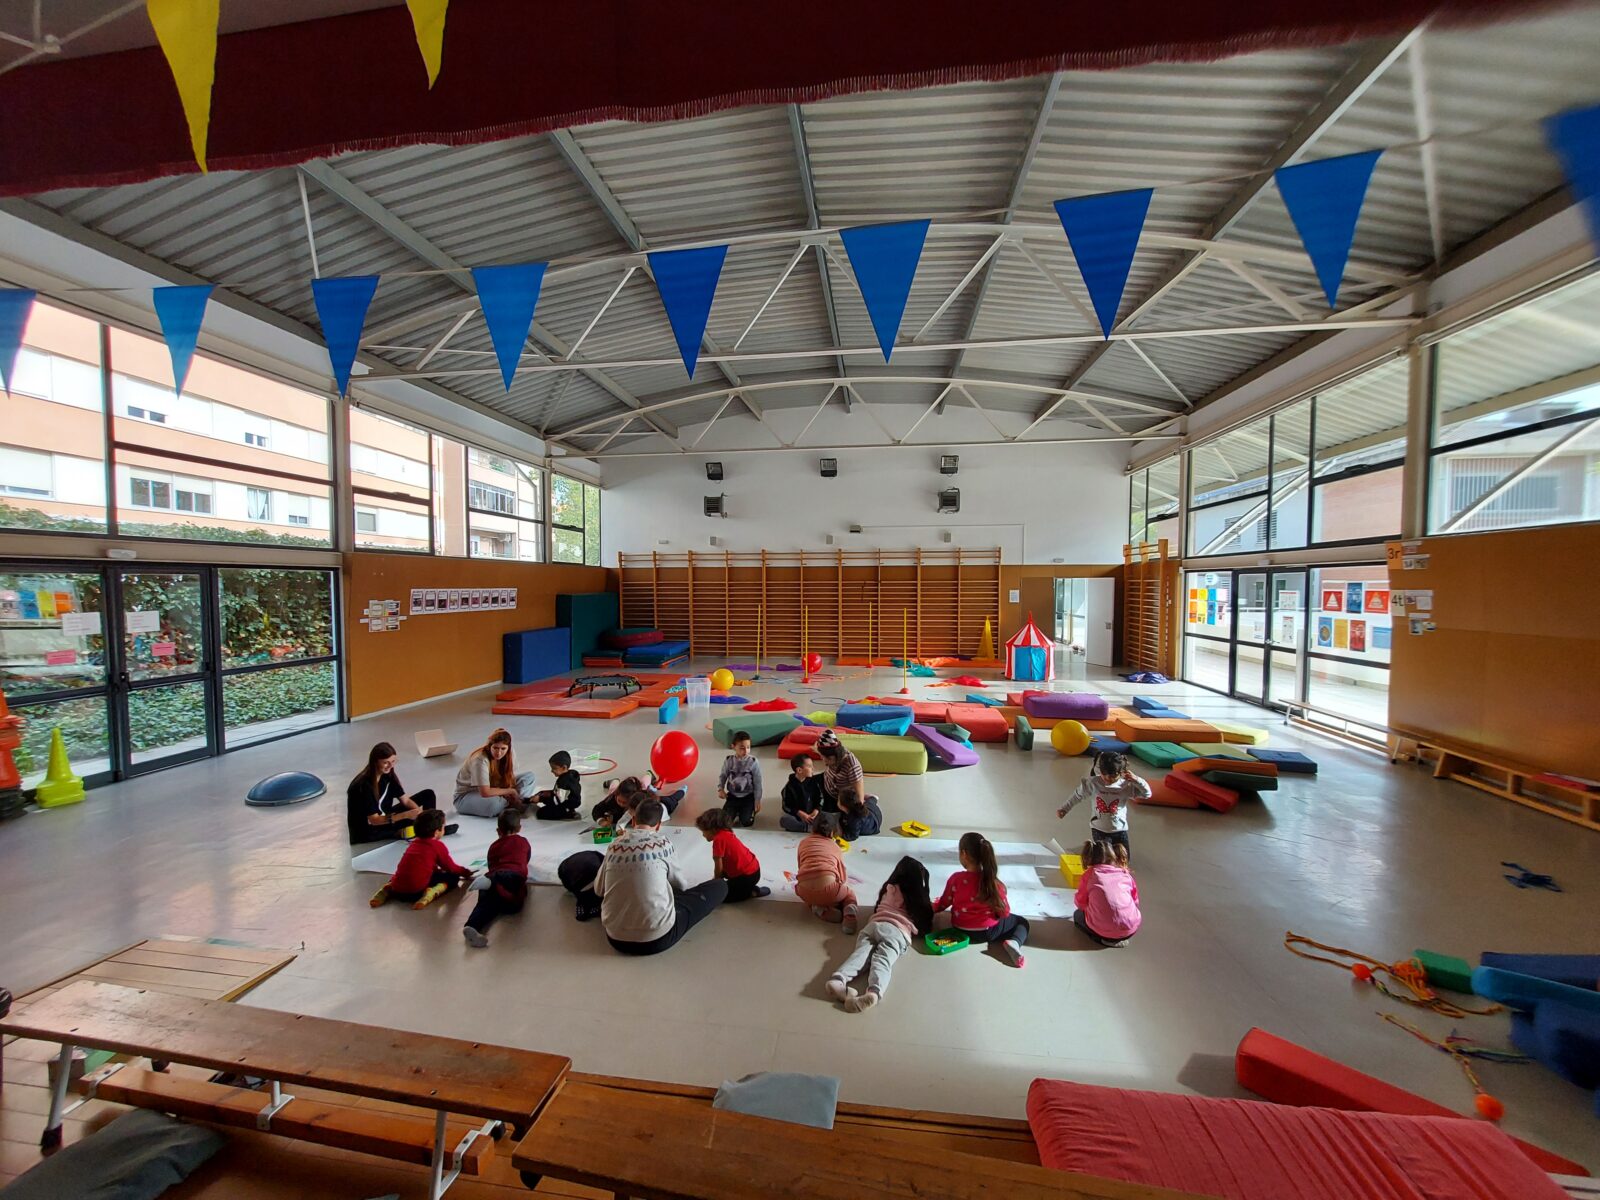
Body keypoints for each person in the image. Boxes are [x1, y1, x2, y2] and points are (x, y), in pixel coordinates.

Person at [592, 798, 728, 955]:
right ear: (658, 825)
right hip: (658, 938)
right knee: (719, 886)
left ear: (634, 820)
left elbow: (599, 890)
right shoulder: (663, 844)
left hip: (615, 938)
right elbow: (680, 886)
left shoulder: (614, 845)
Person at [825, 856, 932, 1013]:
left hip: (873, 926)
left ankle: (838, 980)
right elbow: (924, 923)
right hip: (896, 931)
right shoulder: (915, 898)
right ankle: (874, 992)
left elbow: (878, 907)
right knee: (882, 960)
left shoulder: (888, 889)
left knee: (860, 955)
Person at [933, 832, 1028, 968]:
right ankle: (1014, 942)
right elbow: (1005, 913)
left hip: (959, 930)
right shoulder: (992, 883)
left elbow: (943, 904)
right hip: (987, 933)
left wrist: (932, 906)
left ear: (964, 854)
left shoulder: (956, 879)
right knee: (1021, 922)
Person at [369, 809, 474, 910]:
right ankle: (432, 892)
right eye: (443, 827)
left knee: (401, 875)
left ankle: (387, 889)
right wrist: (466, 873)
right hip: (417, 893)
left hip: (397, 889)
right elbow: (451, 868)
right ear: (437, 832)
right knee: (453, 877)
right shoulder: (437, 846)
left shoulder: (413, 844)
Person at [460, 807, 531, 948]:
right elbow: (526, 858)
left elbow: (491, 864)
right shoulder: (523, 842)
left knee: (485, 906)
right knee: (517, 883)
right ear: (519, 828)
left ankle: (472, 925)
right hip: (511, 884)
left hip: (494, 884)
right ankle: (493, 881)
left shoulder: (494, 846)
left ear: (498, 831)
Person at [1057, 750, 1151, 856]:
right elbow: (1077, 796)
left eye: (1113, 776)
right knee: (1104, 858)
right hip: (1099, 830)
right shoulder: (1093, 783)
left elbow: (1147, 794)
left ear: (1121, 773)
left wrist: (1137, 780)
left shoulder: (1126, 786)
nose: (1107, 778)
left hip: (1120, 830)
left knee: (1124, 858)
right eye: (1104, 774)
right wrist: (1064, 808)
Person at [346, 742, 441, 844]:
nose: (390, 766)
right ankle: (428, 832)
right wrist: (406, 815)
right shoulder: (363, 786)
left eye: (393, 761)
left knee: (428, 795)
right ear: (375, 762)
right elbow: (374, 820)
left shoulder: (388, 775)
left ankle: (430, 829)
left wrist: (419, 813)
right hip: (369, 830)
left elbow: (406, 800)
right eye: (386, 762)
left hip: (386, 816)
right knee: (410, 821)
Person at [794, 812, 858, 933]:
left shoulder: (803, 843)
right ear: (833, 833)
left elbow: (800, 866)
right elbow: (841, 876)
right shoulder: (835, 847)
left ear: (812, 829)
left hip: (804, 891)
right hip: (830, 892)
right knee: (849, 894)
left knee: (810, 897)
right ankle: (849, 916)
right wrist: (839, 886)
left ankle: (820, 909)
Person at [1072, 838, 1141, 948]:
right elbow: (1135, 901)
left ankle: (1104, 938)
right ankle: (1118, 936)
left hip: (1103, 931)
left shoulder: (1089, 875)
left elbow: (1080, 903)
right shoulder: (1125, 873)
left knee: (1077, 915)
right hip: (1131, 929)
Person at [453, 729, 534, 819]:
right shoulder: (480, 759)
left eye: (503, 749)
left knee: (529, 777)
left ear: (508, 747)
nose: (499, 753)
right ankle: (515, 802)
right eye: (495, 748)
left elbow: (509, 778)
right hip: (468, 796)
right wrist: (511, 791)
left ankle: (512, 802)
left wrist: (506, 790)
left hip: (495, 788)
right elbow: (485, 792)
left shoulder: (510, 753)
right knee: (494, 804)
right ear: (490, 746)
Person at [696, 809, 770, 901]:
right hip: (754, 871)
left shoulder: (718, 840)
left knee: (720, 897)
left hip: (746, 877)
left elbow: (718, 868)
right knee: (721, 887)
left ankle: (751, 892)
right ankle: (746, 888)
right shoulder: (726, 833)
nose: (703, 835)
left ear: (713, 829)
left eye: (703, 831)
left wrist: (715, 886)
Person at [593, 773, 686, 828]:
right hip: (616, 791)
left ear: (633, 801)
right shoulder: (612, 798)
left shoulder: (643, 802)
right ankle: (614, 781)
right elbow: (597, 809)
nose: (621, 804)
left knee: (671, 800)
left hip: (661, 801)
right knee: (613, 788)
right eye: (619, 801)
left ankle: (681, 791)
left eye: (624, 803)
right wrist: (601, 821)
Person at [717, 732, 763, 827]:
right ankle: (736, 811)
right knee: (724, 822)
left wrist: (757, 800)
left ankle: (747, 811)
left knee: (746, 822)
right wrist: (720, 789)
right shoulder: (729, 760)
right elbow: (723, 775)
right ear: (733, 746)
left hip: (748, 796)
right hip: (733, 796)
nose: (746, 751)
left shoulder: (753, 762)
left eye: (748, 747)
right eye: (742, 748)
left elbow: (757, 782)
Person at [529, 750, 583, 821]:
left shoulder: (564, 782)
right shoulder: (568, 776)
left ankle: (568, 814)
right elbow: (557, 792)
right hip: (566, 801)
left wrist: (541, 799)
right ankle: (568, 810)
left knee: (541, 813)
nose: (552, 771)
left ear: (563, 768)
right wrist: (543, 794)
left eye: (554, 768)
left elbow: (557, 800)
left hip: (565, 803)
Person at [816, 731, 863, 813]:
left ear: (835, 756)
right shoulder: (834, 754)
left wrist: (858, 812)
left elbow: (859, 794)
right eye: (822, 757)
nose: (824, 761)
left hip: (838, 797)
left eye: (827, 759)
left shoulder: (852, 766)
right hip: (827, 782)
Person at [780, 753, 824, 832]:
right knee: (784, 819)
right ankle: (807, 828)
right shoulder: (789, 786)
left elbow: (821, 798)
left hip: (813, 815)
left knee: (827, 817)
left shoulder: (814, 782)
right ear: (799, 770)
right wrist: (799, 813)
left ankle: (808, 827)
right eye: (810, 766)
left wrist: (816, 810)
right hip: (798, 817)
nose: (813, 768)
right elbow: (786, 806)